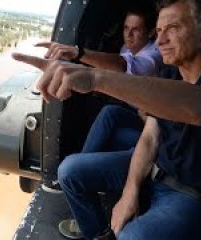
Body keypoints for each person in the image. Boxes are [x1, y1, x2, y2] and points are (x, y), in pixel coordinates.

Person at [12, 0, 201, 239]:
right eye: (160, 30)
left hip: (189, 191)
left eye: (173, 28)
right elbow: (150, 138)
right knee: (70, 170)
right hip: (155, 167)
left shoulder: (159, 64)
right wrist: (129, 192)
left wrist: (94, 77)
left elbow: (195, 105)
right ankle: (99, 233)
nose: (161, 40)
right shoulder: (169, 72)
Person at [37, 5, 161, 239]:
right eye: (126, 28)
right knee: (109, 113)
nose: (129, 35)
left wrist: (79, 54)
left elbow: (127, 66)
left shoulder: (153, 55)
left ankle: (91, 214)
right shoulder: (128, 47)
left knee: (107, 125)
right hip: (141, 117)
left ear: (150, 34)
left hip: (151, 127)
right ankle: (82, 170)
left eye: (136, 30)